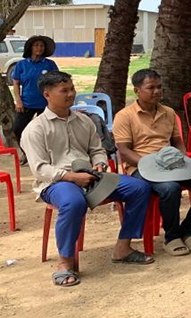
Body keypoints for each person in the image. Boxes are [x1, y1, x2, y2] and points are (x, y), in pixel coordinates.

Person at [20, 71, 153, 287]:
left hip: (91, 175)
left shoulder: (84, 120)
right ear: (47, 94)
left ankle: (123, 248)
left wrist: (99, 163)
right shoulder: (35, 129)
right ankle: (64, 262)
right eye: (64, 91)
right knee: (73, 202)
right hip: (56, 183)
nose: (71, 94)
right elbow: (40, 168)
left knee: (139, 188)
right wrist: (71, 177)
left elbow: (97, 150)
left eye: (72, 89)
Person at [113, 69, 191, 257]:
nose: (156, 92)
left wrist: (182, 157)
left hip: (171, 163)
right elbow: (124, 150)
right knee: (169, 188)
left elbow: (177, 142)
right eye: (151, 88)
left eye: (159, 87)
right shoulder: (125, 115)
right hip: (141, 166)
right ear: (137, 90)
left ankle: (188, 230)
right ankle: (171, 237)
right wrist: (149, 165)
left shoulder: (168, 112)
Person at [12, 35, 58, 165]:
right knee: (18, 128)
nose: (39, 48)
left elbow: (56, 83)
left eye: (42, 46)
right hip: (26, 103)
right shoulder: (21, 65)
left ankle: (46, 157)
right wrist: (18, 101)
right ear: (30, 48)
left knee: (47, 131)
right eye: (36, 45)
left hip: (45, 104)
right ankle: (26, 152)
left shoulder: (50, 64)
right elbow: (16, 83)